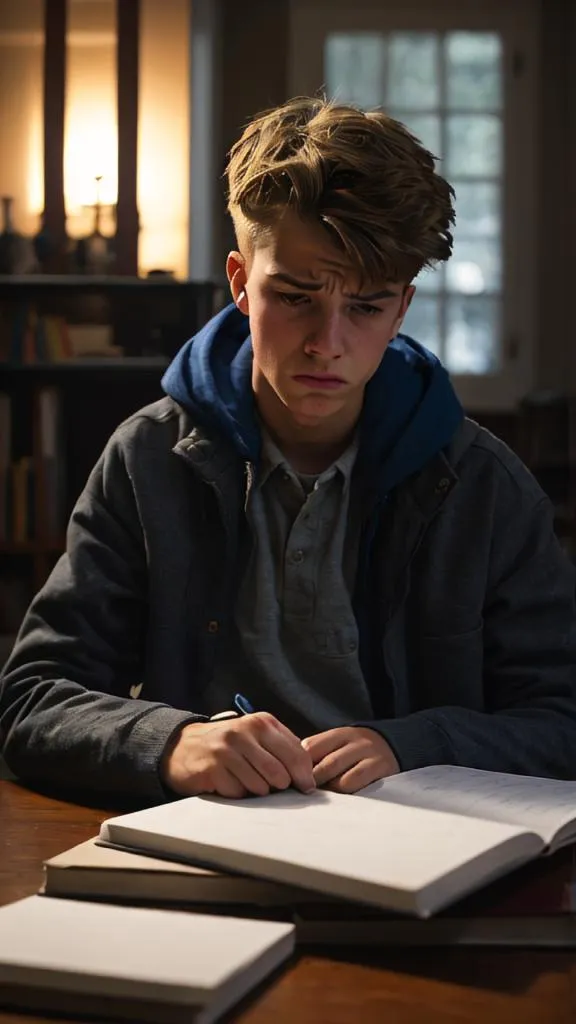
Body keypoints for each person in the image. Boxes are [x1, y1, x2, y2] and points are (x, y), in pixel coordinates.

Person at [1, 97, 576, 804]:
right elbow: (29, 702)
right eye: (296, 296)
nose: (326, 343)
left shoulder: (485, 486)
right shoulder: (146, 459)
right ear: (242, 284)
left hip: (423, 861)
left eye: (366, 307)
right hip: (205, 844)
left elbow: (563, 720)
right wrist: (172, 742)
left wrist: (414, 744)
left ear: (402, 308)